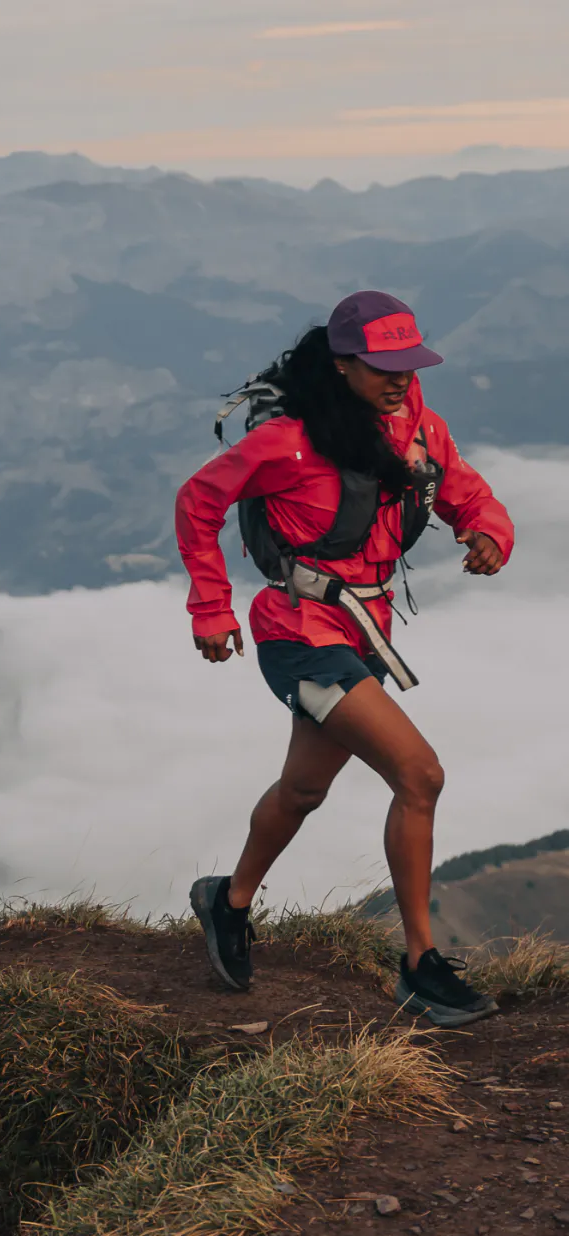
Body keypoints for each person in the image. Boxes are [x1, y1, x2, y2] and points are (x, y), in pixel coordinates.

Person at [176, 290, 514, 1028]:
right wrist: (210, 605)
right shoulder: (287, 442)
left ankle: (226, 902)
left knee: (302, 791)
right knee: (420, 774)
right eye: (382, 366)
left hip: (364, 629)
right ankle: (420, 965)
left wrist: (489, 530)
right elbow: (198, 502)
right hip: (298, 634)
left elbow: (461, 489)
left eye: (408, 364)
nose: (399, 377)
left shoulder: (416, 425)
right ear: (341, 365)